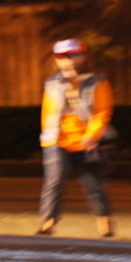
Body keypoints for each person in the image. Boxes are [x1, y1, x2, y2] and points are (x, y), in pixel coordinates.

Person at [37, 39, 114, 238]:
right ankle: (48, 221)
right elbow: (47, 112)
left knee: (92, 182)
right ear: (56, 59)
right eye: (63, 56)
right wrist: (47, 137)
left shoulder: (97, 82)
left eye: (73, 55)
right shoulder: (51, 83)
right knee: (54, 181)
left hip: (86, 140)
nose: (69, 60)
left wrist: (92, 135)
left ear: (83, 57)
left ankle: (104, 221)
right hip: (57, 140)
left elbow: (102, 111)